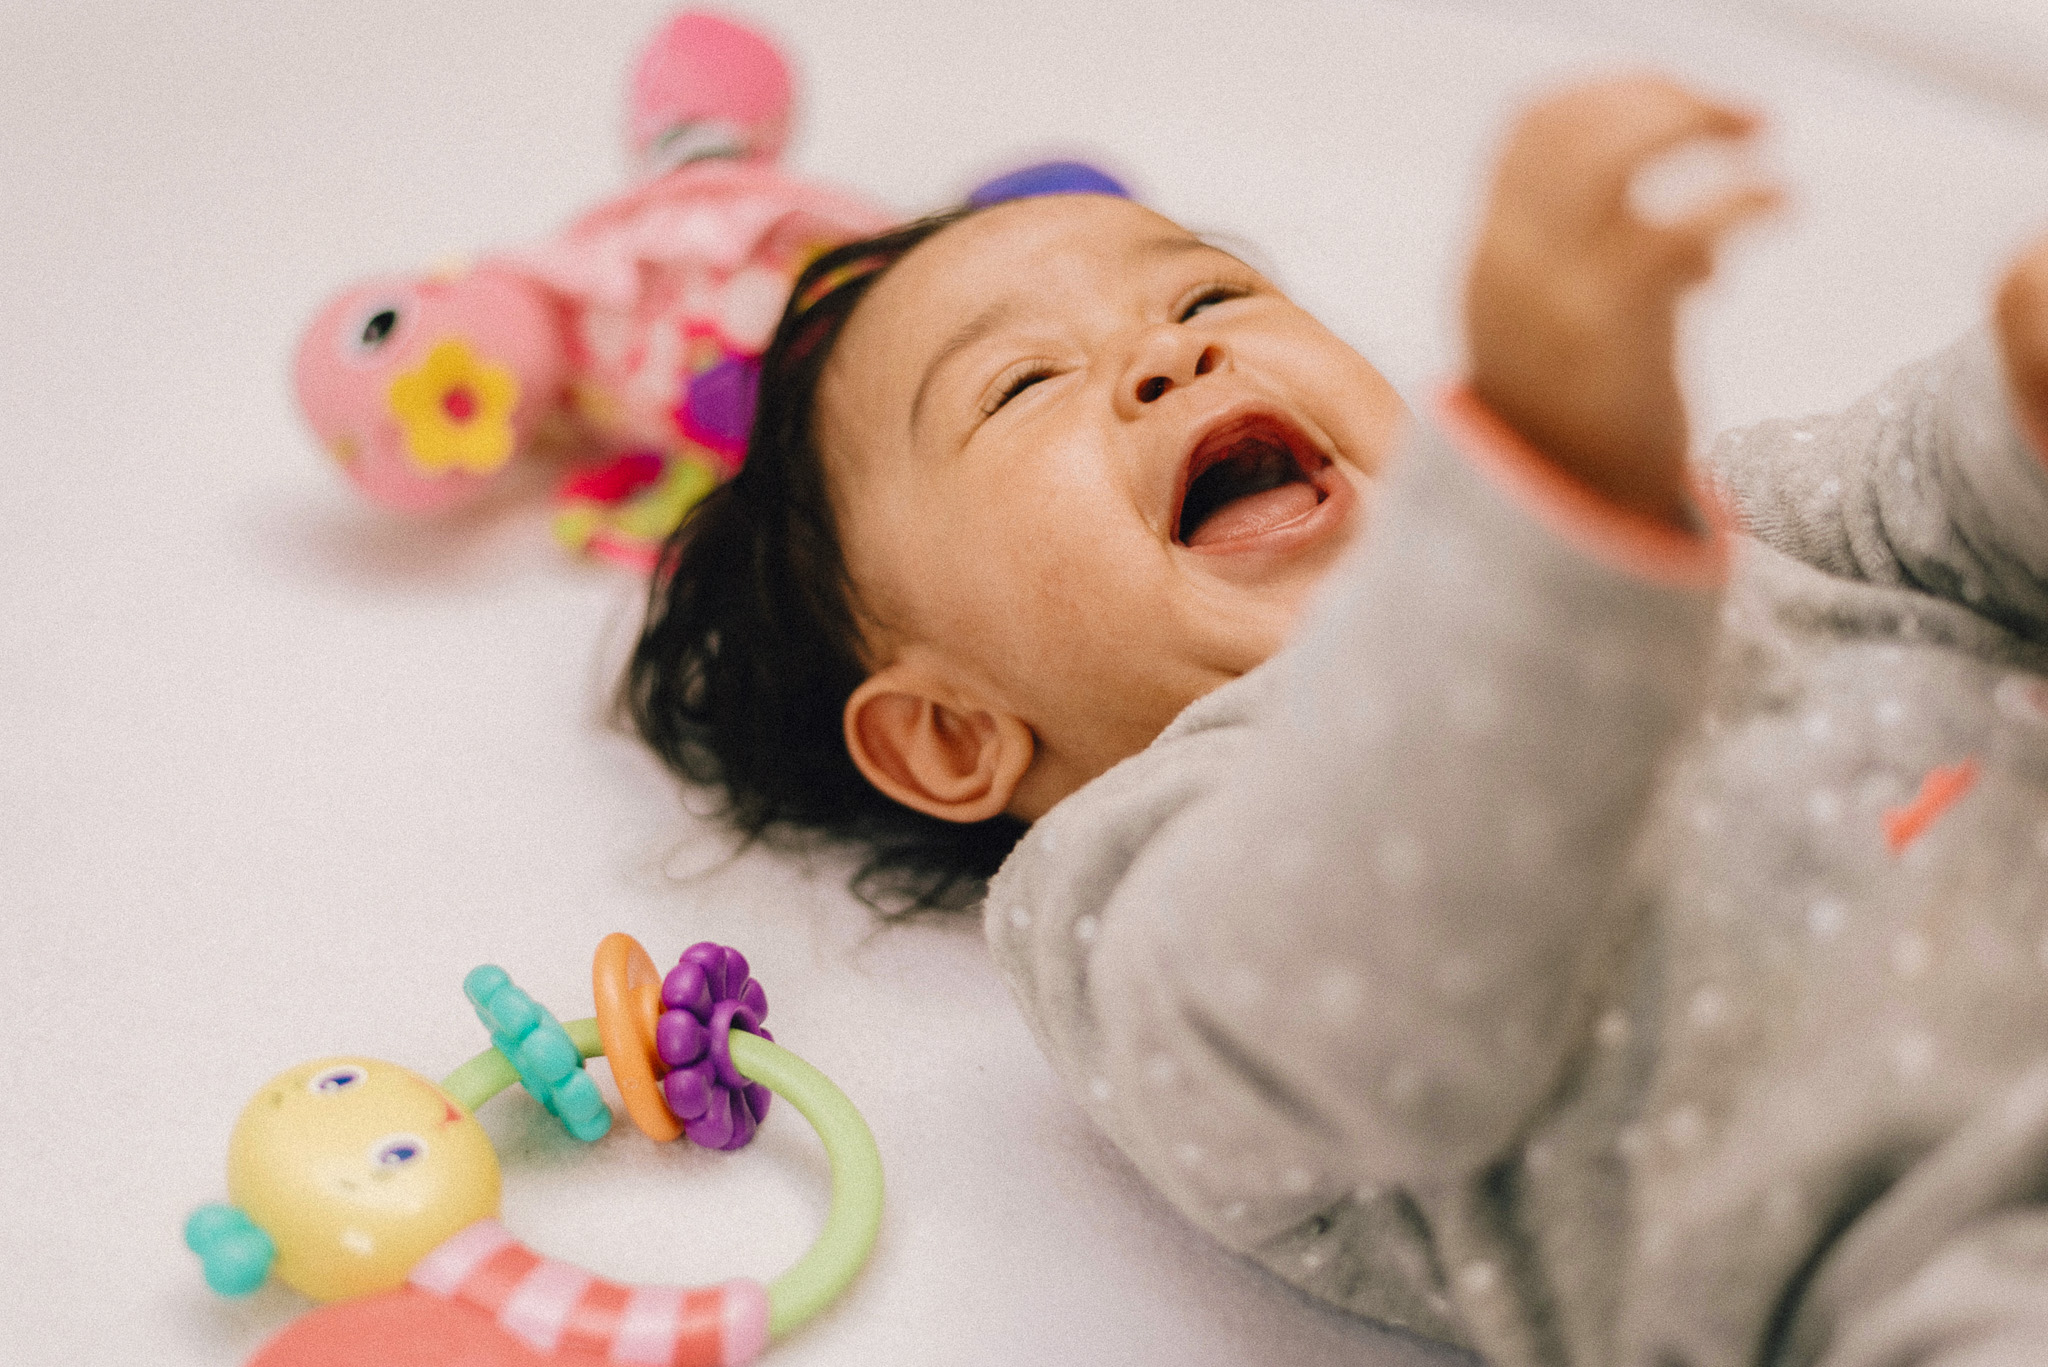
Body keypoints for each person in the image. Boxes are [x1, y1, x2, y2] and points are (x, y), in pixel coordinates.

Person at [625, 74, 2048, 1366]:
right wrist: (1545, 520)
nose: (1168, 362)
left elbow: (1927, 504)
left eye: (1207, 301)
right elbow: (1361, 995)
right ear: (951, 735)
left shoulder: (1691, 510)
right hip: (1958, 1233)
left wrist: (2020, 404)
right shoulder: (1136, 883)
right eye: (1022, 385)